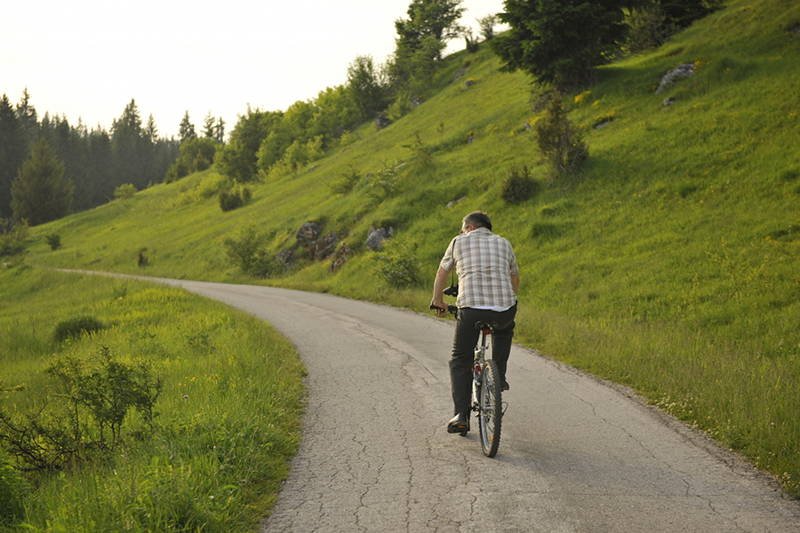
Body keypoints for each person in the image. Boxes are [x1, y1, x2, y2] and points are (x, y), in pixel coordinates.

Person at [430, 211, 520, 434]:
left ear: (468, 227)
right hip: (504, 309)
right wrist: (510, 299)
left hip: (471, 309)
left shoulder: (458, 241)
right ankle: (499, 375)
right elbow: (514, 277)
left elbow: (442, 272)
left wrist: (438, 300)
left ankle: (461, 414)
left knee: (461, 358)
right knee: (504, 330)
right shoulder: (504, 243)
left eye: (463, 230)